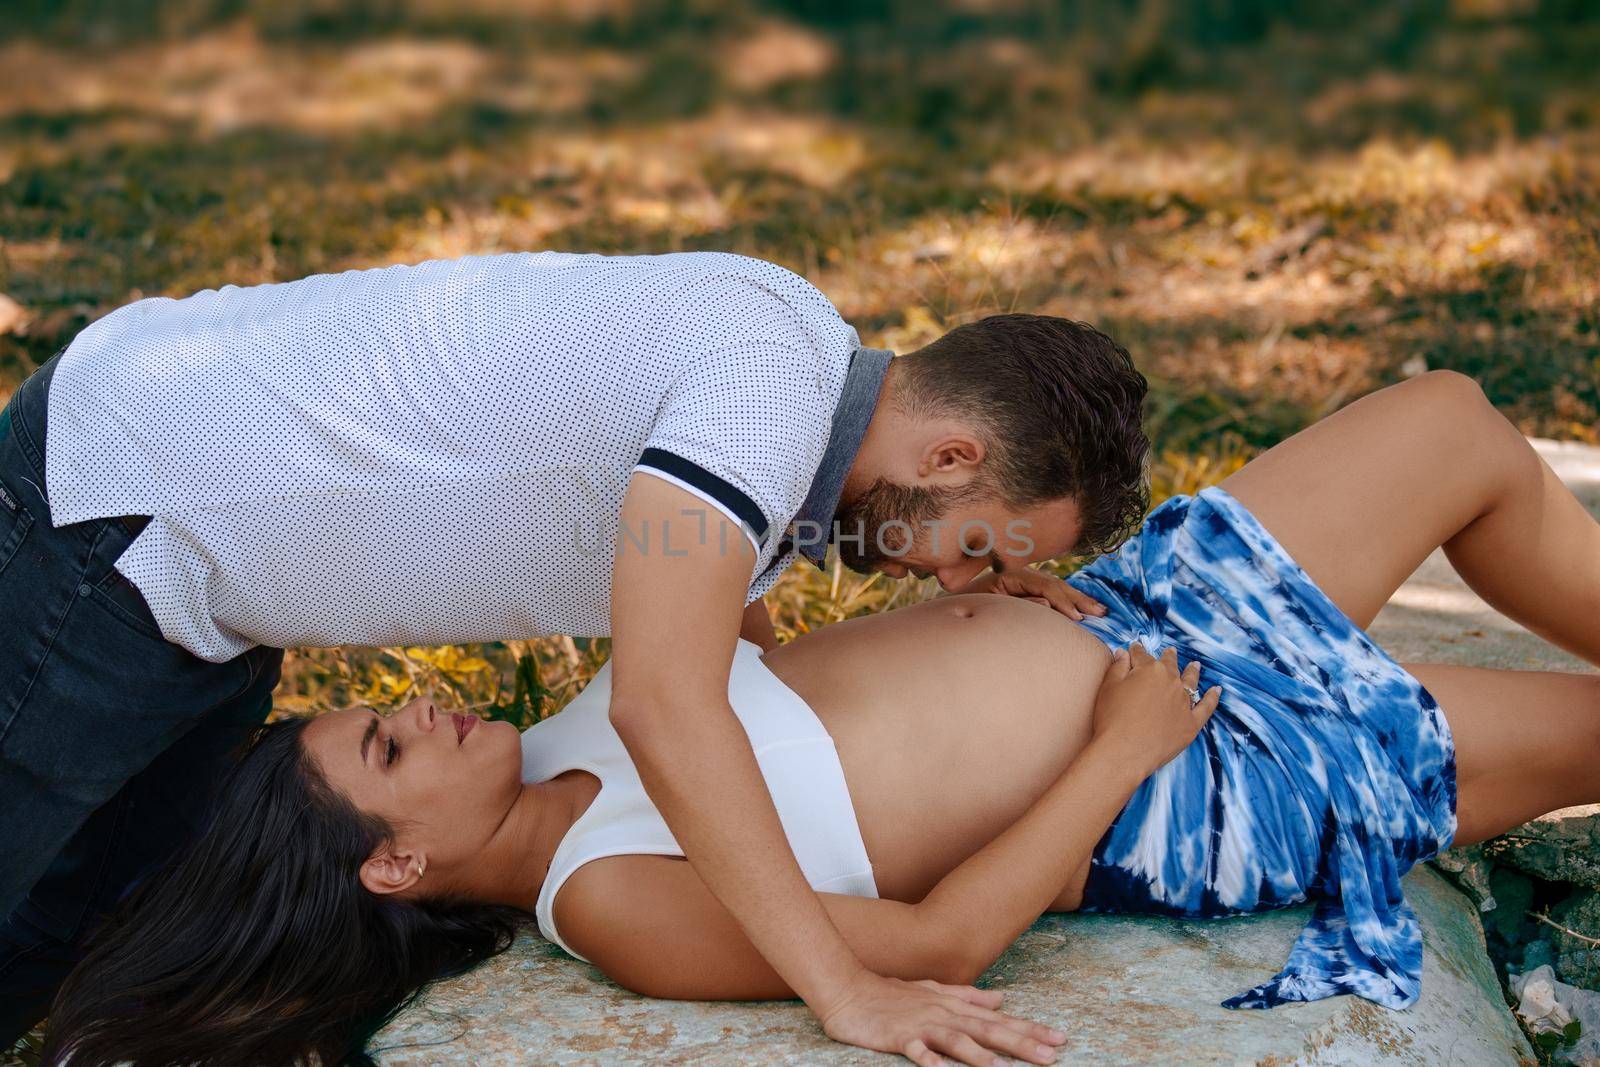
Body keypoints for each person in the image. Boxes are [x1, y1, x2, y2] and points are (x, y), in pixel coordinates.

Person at [42, 370, 1600, 1066]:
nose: (425, 705)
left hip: (1138, 619)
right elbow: (927, 941)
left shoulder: (600, 713)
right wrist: (1122, 750)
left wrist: (984, 584)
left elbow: (764, 615)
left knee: (1451, 420)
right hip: (1192, 776)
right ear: (394, 867)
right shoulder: (612, 904)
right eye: (386, 747)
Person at [0, 250, 1147, 1049]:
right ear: (948, 458)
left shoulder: (787, 389)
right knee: (28, 898)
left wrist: (971, 626)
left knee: (120, 902)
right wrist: (843, 986)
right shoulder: (759, 405)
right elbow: (666, 702)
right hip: (124, 499)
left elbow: (710, 641)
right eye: (981, 547)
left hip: (207, 542)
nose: (963, 576)